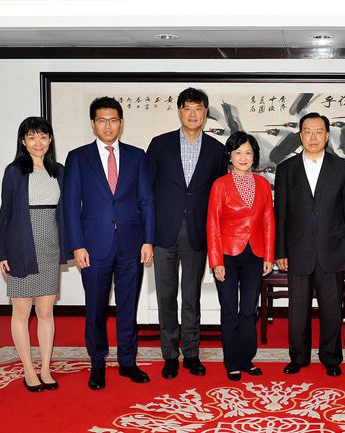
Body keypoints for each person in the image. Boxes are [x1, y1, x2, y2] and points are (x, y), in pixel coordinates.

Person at [64, 96, 155, 390]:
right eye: (102, 120)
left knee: (128, 306)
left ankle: (128, 362)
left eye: (113, 120)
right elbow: (70, 205)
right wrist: (77, 245)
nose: (108, 125)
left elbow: (146, 200)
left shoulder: (137, 156)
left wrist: (148, 240)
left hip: (131, 244)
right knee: (96, 308)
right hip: (93, 246)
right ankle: (97, 363)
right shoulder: (78, 157)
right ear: (93, 123)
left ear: (121, 123)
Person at [146, 88, 227, 379]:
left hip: (197, 234)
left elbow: (219, 198)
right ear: (180, 111)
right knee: (166, 297)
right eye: (188, 109)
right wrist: (147, 236)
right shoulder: (160, 145)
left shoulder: (217, 150)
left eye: (198, 109)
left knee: (191, 297)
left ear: (205, 113)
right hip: (164, 234)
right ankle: (170, 355)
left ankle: (191, 353)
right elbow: (147, 193)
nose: (193, 114)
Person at [274, 112, 345, 377]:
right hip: (297, 250)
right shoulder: (286, 169)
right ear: (300, 136)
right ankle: (298, 357)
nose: (313, 137)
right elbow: (280, 213)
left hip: (333, 249)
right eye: (308, 131)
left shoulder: (342, 167)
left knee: (332, 309)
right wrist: (280, 251)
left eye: (318, 131)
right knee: (297, 309)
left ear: (327, 135)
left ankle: (331, 357)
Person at [0, 117, 67, 392]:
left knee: (46, 311)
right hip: (20, 245)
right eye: (31, 137)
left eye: (43, 137)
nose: (38, 142)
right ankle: (28, 370)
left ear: (50, 139)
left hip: (50, 245)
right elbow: (5, 215)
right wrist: (3, 251)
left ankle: (46, 369)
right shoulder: (14, 171)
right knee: (22, 312)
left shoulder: (59, 171)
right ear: (23, 141)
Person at [206, 131, 274, 381]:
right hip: (227, 256)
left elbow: (268, 221)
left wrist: (269, 256)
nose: (243, 157)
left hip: (255, 255)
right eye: (238, 152)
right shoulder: (220, 185)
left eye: (248, 152)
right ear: (230, 156)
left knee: (248, 310)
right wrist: (216, 261)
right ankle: (232, 361)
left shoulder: (263, 184)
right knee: (229, 310)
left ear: (254, 156)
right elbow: (212, 224)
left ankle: (247, 359)